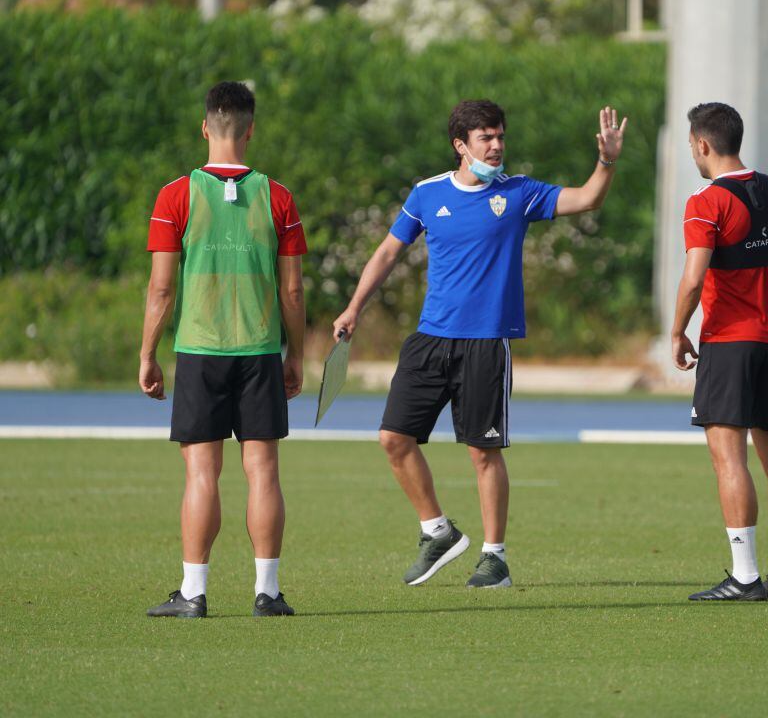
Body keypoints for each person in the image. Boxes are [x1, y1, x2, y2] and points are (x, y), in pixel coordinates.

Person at [333, 100, 627, 588]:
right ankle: (437, 532)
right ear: (460, 146)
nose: (496, 146)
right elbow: (388, 251)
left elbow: (588, 199)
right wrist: (354, 308)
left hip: (487, 343)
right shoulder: (427, 194)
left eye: (501, 137)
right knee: (393, 439)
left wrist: (607, 160)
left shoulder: (519, 193)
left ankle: (495, 558)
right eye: (486, 138)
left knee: (482, 452)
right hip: (430, 340)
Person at [139, 81, 308, 617]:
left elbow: (162, 290)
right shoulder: (278, 196)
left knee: (201, 474)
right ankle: (268, 593)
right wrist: (296, 353)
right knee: (263, 471)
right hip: (259, 351)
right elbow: (293, 291)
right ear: (251, 129)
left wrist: (147, 354)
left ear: (205, 127)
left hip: (199, 350)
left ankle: (193, 593)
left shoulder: (176, 195)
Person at [670, 102, 768, 601]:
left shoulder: (705, 201)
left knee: (729, 459)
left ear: (702, 144)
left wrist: (676, 332)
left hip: (728, 343)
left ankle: (744, 576)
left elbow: (694, 278)